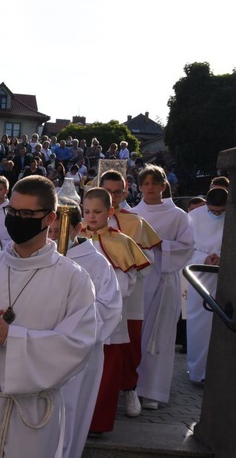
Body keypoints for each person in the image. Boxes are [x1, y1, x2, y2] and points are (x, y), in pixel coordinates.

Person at [0, 176, 97, 458]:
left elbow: (77, 345)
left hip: (35, 412)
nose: (16, 218)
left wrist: (11, 337)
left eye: (26, 214)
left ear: (49, 218)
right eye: (12, 212)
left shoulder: (73, 279)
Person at [47, 199, 120, 458]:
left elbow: (108, 308)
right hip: (45, 350)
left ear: (78, 228)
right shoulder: (41, 257)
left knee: (72, 410)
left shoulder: (97, 263)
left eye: (60, 231)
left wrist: (70, 327)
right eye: (50, 231)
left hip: (81, 353)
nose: (54, 237)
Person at [80, 188, 150, 436]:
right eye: (86, 211)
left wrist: (100, 297)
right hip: (78, 315)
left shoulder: (122, 242)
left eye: (97, 212)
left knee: (106, 373)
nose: (91, 217)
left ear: (110, 212)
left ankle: (97, 423)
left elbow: (127, 282)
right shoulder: (74, 238)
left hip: (110, 318)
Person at [130, 165, 194, 410]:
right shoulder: (134, 214)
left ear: (163, 185)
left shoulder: (177, 215)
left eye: (154, 183)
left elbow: (187, 245)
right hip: (138, 279)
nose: (149, 188)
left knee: (159, 336)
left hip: (165, 278)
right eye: (145, 183)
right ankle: (131, 385)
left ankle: (153, 390)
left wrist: (160, 245)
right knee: (136, 333)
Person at [99, 170, 161, 417]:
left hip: (129, 295)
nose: (113, 197)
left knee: (130, 342)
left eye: (117, 192)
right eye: (108, 192)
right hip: (95, 295)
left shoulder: (136, 222)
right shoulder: (88, 220)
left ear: (125, 192)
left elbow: (150, 259)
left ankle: (130, 387)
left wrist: (126, 270)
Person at [186, 188, 226, 383]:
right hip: (200, 275)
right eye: (213, 211)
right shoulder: (193, 217)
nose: (217, 215)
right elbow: (185, 248)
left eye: (221, 212)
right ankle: (198, 372)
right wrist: (204, 258)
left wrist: (223, 257)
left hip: (225, 276)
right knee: (199, 326)